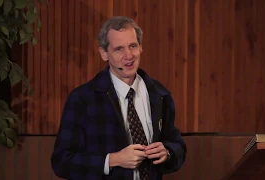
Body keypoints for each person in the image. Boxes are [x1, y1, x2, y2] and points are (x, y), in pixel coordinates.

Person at [51, 16, 187, 180]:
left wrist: (167, 152)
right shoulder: (82, 99)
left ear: (141, 47)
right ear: (104, 54)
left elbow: (178, 146)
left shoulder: (160, 95)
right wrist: (113, 160)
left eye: (133, 46)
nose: (128, 55)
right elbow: (62, 162)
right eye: (119, 49)